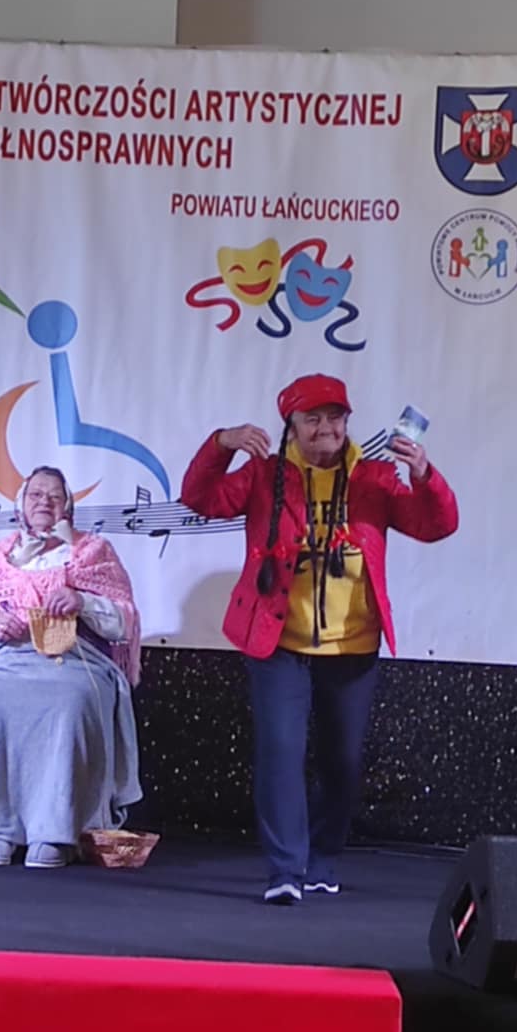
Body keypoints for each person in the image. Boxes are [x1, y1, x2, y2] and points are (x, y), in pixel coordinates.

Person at [182, 374, 459, 904]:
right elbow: (200, 498)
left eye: (335, 417)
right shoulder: (263, 475)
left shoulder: (375, 478)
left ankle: (324, 857)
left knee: (342, 762)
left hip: (353, 647)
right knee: (282, 753)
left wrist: (424, 475)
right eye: (312, 419)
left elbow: (436, 525)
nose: (325, 428)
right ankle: (285, 869)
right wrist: (221, 444)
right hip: (278, 644)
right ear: (291, 426)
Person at [0, 466, 143, 869]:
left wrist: (82, 602)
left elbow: (124, 621)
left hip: (73, 657)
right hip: (2, 659)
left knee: (72, 701)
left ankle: (57, 831)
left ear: (68, 506)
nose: (44, 502)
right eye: (36, 495)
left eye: (54, 496)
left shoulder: (95, 553)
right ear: (21, 504)